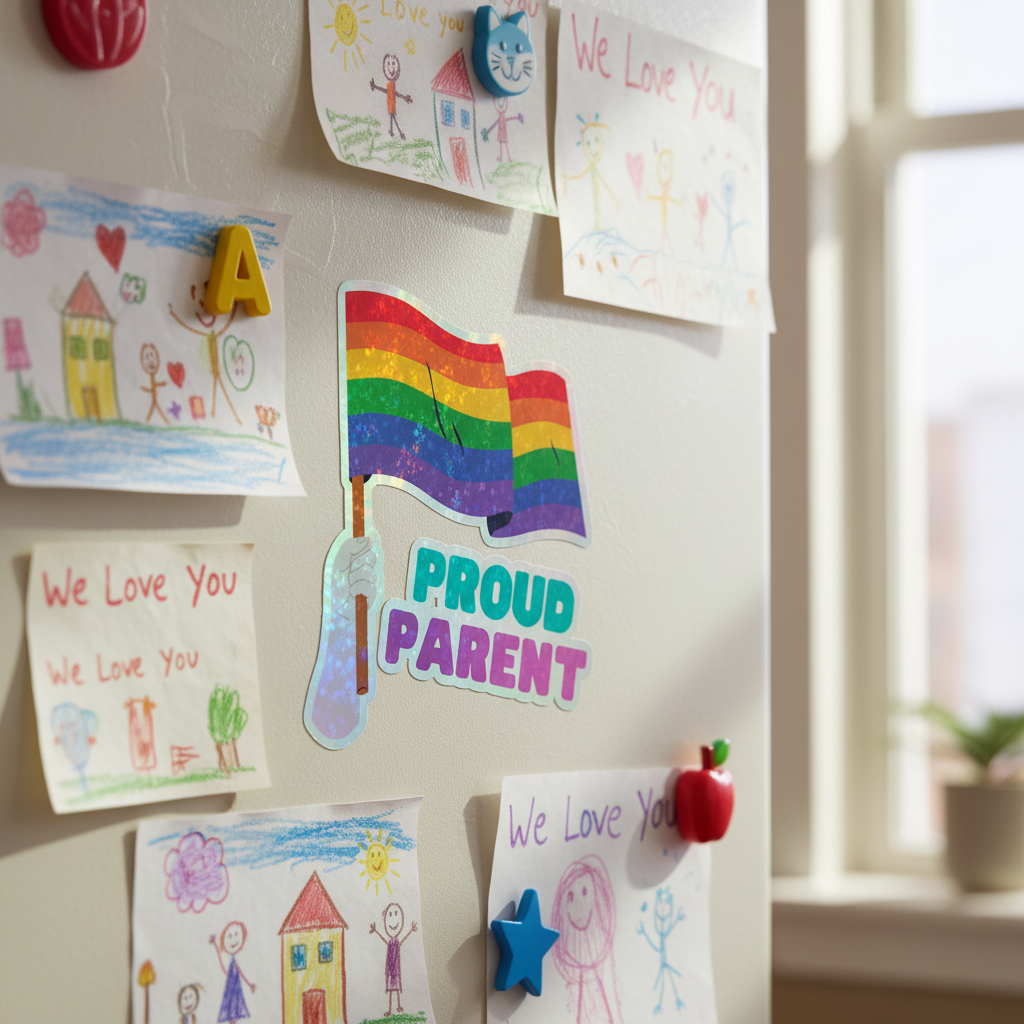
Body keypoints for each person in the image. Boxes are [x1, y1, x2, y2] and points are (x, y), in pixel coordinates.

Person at [550, 855, 624, 1024]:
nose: (578, 905)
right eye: (570, 897)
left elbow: (611, 992)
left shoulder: (602, 950)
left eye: (584, 892)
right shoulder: (572, 966)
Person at [370, 902, 417, 1017]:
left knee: (395, 987)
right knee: (391, 989)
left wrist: (411, 930)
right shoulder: (391, 942)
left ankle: (399, 1006)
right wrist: (376, 931)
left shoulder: (395, 941)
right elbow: (386, 941)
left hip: (395, 968)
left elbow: (402, 940)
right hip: (391, 968)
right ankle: (390, 1009)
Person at [209, 921, 255, 1023]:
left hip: (235, 989)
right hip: (231, 988)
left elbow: (241, 973)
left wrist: (249, 985)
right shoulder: (232, 963)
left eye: (236, 934)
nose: (233, 939)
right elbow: (224, 968)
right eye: (229, 936)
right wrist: (216, 946)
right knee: (232, 1008)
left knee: (234, 1008)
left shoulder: (235, 963)